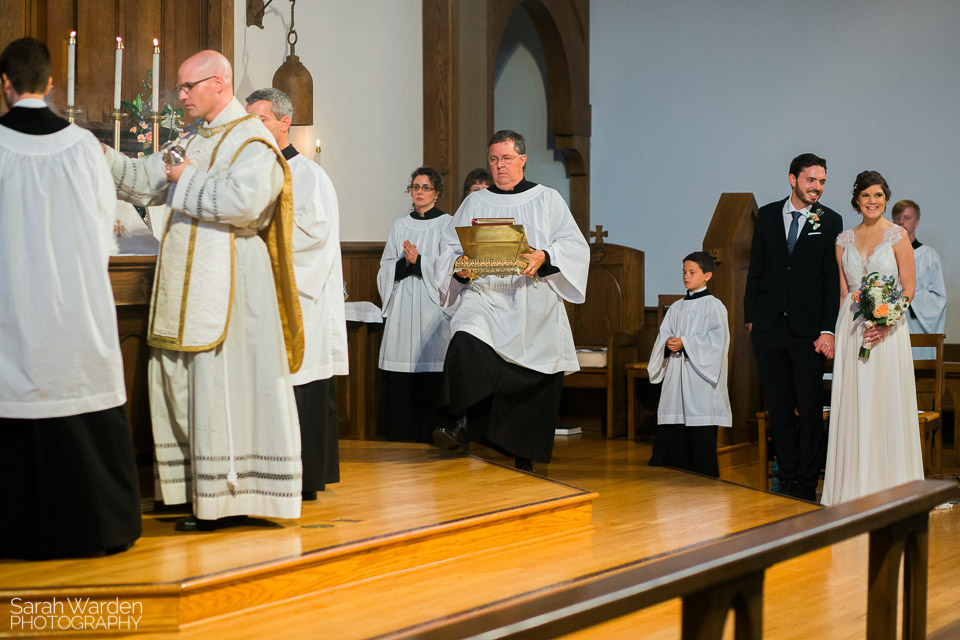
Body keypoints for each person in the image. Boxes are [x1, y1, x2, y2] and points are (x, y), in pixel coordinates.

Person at [103, 50, 304, 531]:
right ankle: (191, 491)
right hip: (188, 286)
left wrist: (185, 179)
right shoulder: (192, 140)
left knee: (223, 386)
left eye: (189, 87)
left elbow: (245, 201)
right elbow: (140, 179)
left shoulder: (252, 140)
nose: (181, 96)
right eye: (180, 87)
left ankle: (228, 496)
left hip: (234, 283)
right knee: (183, 382)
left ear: (219, 83)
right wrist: (92, 150)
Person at [0, 37, 141, 558]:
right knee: (79, 383)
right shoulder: (84, 146)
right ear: (51, 84)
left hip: (10, 298)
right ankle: (94, 527)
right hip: (75, 300)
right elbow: (105, 222)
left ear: (6, 85)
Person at [432, 130, 589, 473]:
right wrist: (459, 269)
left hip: (531, 296)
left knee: (533, 371)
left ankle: (523, 453)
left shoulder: (547, 199)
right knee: (465, 338)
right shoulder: (476, 202)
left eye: (505, 158)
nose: (499, 166)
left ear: (522, 159)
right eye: (493, 159)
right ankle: (456, 421)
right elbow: (448, 248)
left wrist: (545, 255)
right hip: (486, 295)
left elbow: (576, 246)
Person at [245, 88, 347, 501]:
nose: (254, 128)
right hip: (260, 298)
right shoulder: (250, 172)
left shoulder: (309, 176)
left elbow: (313, 238)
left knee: (300, 384)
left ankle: (303, 479)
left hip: (299, 301)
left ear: (285, 123)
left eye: (262, 120)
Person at [821, 172, 924, 505]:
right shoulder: (843, 240)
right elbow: (842, 293)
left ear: (885, 198)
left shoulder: (897, 237)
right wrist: (835, 335)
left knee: (883, 401)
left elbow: (908, 288)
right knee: (854, 402)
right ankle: (850, 488)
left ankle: (889, 489)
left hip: (887, 333)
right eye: (866, 195)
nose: (873, 201)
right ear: (857, 200)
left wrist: (886, 322)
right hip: (851, 328)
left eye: (878, 195)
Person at [744, 153, 842, 501]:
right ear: (793, 180)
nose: (817, 187)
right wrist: (751, 319)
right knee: (779, 405)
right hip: (769, 327)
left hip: (809, 330)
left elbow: (832, 280)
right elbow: (757, 268)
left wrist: (827, 329)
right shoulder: (769, 214)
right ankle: (785, 475)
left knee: (810, 406)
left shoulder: (831, 220)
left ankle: (806, 481)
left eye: (822, 181)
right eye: (811, 180)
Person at [377, 167, 454, 442]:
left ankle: (430, 432)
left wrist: (419, 261)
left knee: (431, 362)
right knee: (401, 363)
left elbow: (450, 267)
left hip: (431, 305)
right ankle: (400, 431)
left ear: (436, 193)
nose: (419, 192)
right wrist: (404, 263)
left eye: (425, 187)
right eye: (415, 187)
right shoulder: (401, 225)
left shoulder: (447, 224)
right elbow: (385, 266)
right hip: (402, 304)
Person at [647, 252, 731, 478]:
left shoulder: (714, 306)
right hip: (676, 373)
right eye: (684, 272)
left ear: (707, 276)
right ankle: (676, 470)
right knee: (676, 423)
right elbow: (662, 337)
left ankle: (703, 473)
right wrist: (668, 344)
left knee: (699, 426)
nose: (686, 276)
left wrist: (686, 344)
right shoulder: (676, 307)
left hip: (699, 379)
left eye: (692, 272)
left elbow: (718, 343)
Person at [892, 199, 946, 360]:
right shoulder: (885, 254)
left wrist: (909, 295)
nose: (901, 222)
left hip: (917, 326)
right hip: (890, 326)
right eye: (897, 218)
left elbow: (939, 298)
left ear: (916, 222)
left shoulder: (929, 256)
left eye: (907, 218)